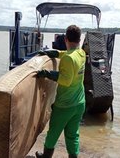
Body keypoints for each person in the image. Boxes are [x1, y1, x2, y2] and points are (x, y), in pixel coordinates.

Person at [35, 25, 86, 158]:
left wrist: (48, 74)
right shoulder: (81, 53)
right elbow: (69, 54)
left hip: (65, 105)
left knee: (53, 133)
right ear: (79, 40)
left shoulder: (68, 59)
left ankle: (45, 156)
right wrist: (56, 53)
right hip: (79, 103)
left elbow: (65, 80)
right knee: (72, 134)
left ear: (66, 39)